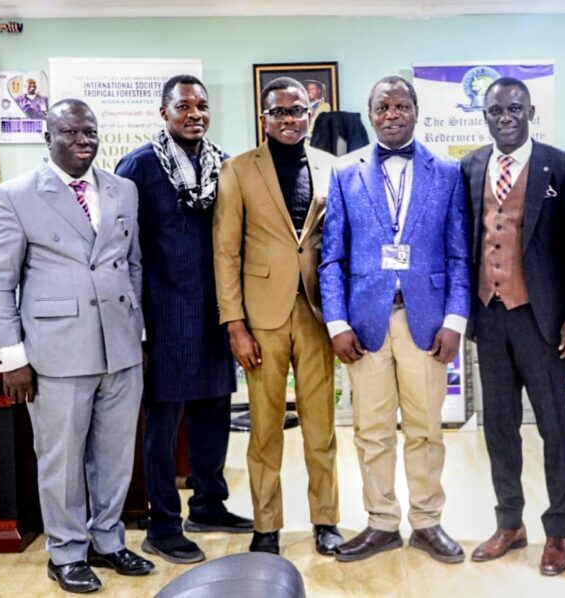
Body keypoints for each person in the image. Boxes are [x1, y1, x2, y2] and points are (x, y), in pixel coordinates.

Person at [0, 99, 154, 593]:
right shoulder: (15, 195)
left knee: (116, 456)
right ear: (49, 138)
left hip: (120, 348)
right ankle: (66, 551)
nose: (83, 141)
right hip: (56, 352)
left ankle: (108, 541)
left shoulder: (122, 189)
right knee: (60, 462)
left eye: (90, 132)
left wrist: (137, 332)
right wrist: (12, 357)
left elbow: (133, 264)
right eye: (70, 132)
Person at [319, 75, 471, 564]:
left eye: (401, 106)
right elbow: (331, 258)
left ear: (416, 111)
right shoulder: (345, 173)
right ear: (370, 115)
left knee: (426, 428)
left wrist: (455, 320)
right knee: (372, 430)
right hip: (365, 324)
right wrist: (337, 324)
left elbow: (459, 255)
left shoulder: (447, 172)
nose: (392, 115)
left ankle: (427, 521)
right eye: (382, 107)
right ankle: (381, 522)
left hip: (427, 322)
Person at [115, 75, 252, 565]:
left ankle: (209, 506)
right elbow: (121, 248)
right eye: (183, 106)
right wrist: (137, 327)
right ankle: (163, 526)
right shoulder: (139, 166)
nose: (195, 114)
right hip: (163, 315)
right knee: (164, 426)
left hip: (216, 313)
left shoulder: (224, 164)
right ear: (164, 112)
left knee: (215, 414)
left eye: (202, 105)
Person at [460, 77, 565, 575]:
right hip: (489, 317)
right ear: (485, 116)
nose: (506, 117)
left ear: (531, 111)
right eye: (496, 110)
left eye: (515, 109)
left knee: (554, 427)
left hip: (543, 320)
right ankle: (509, 523)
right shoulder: (471, 167)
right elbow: (465, 242)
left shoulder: (564, 166)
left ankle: (558, 531)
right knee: (499, 426)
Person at [214, 77, 343, 556]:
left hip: (316, 313)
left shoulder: (331, 167)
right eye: (280, 112)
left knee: (321, 428)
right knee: (265, 430)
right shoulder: (238, 170)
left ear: (310, 114)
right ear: (264, 119)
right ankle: (266, 525)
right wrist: (235, 325)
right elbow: (226, 252)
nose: (290, 119)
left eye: (298, 110)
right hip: (261, 318)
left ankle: (326, 520)